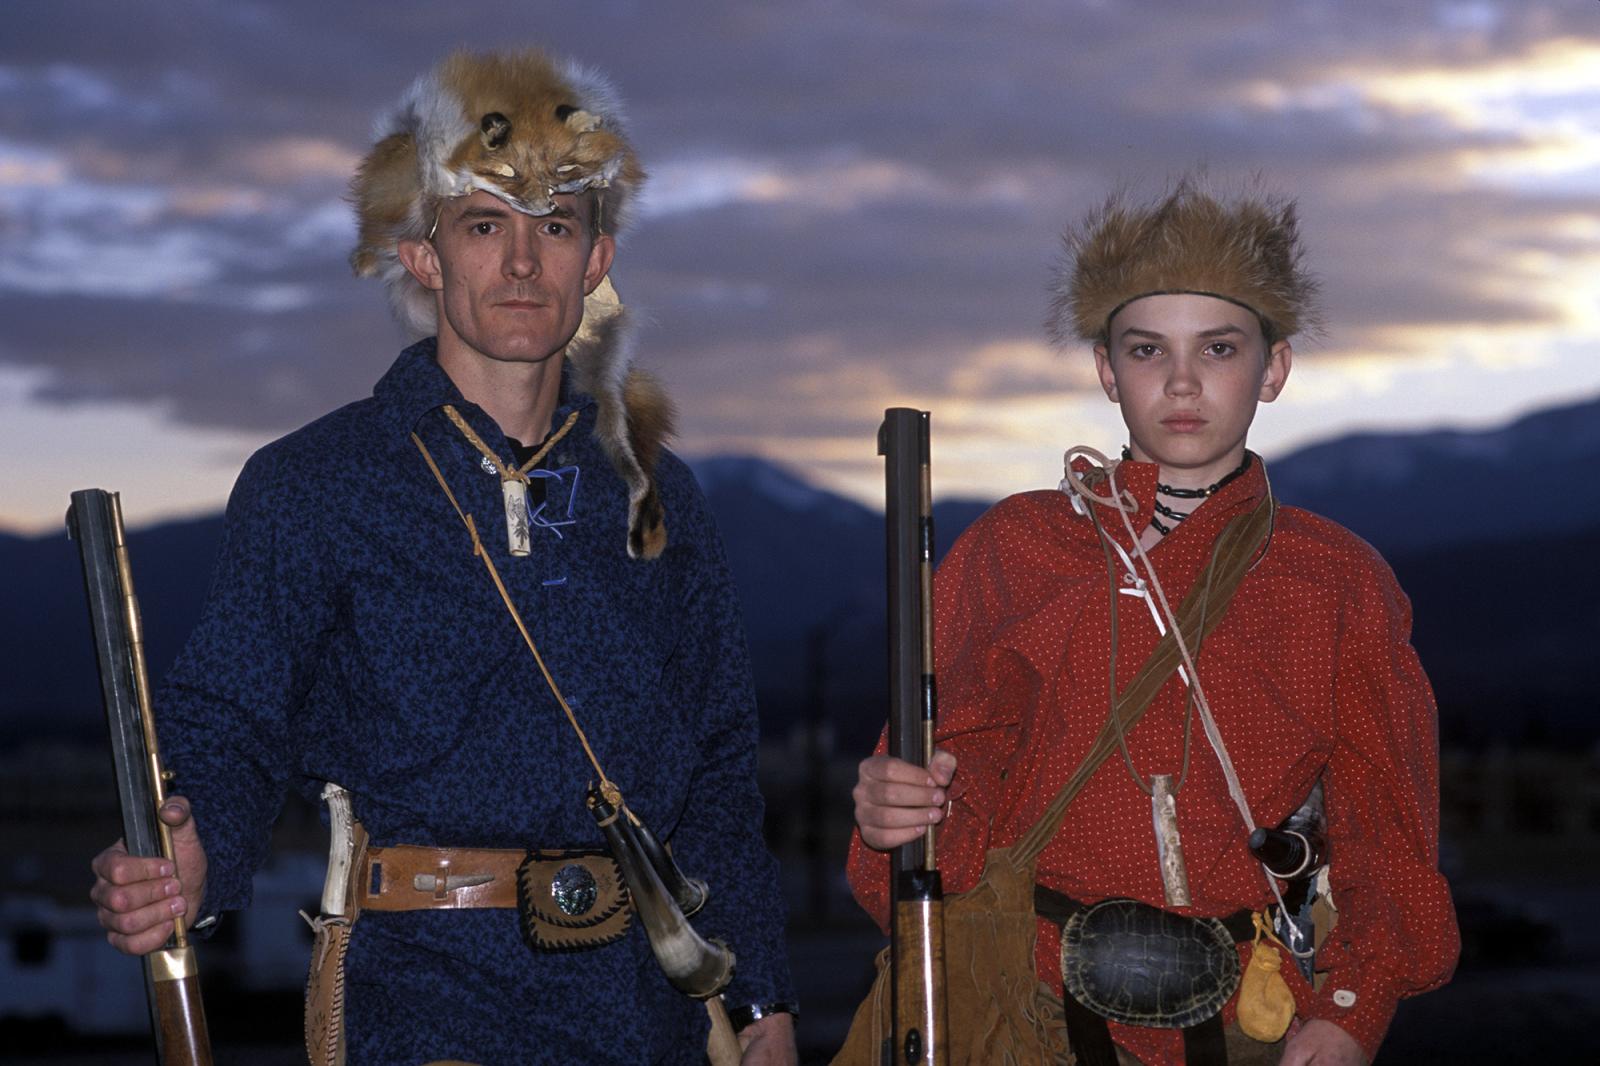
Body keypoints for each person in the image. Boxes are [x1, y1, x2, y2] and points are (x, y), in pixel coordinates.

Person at [89, 47, 797, 1065]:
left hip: (647, 1011)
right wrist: (197, 859)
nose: (522, 263)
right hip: (424, 1000)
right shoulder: (316, 482)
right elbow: (232, 719)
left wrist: (763, 995)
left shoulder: (655, 491)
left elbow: (718, 771)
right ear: (423, 254)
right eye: (483, 225)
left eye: (555, 226)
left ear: (594, 260)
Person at [847, 181, 1458, 1065]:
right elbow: (954, 772)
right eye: (1146, 349)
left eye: (1218, 347)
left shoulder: (1337, 579)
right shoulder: (1018, 547)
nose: (1181, 380)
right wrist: (900, 814)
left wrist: (1350, 1008)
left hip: (1255, 1018)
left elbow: (1387, 825)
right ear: (1106, 370)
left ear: (1274, 368)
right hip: (1029, 1007)